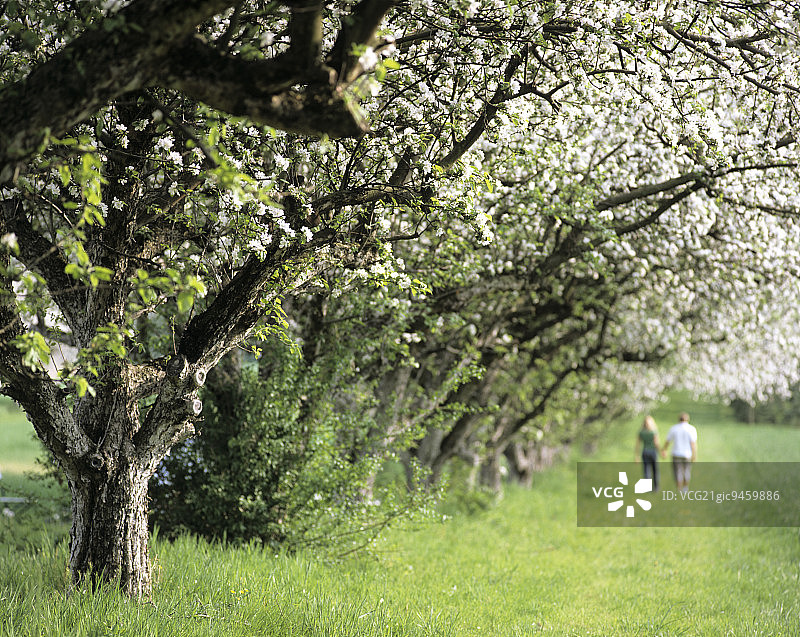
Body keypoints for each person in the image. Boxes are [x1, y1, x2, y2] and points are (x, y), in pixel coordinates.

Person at [661, 412, 698, 492]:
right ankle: (685, 488)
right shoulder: (691, 429)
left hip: (676, 453)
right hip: (687, 454)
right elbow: (693, 444)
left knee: (678, 472)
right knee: (686, 471)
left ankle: (679, 488)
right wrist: (694, 455)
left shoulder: (674, 428)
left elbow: (668, 441)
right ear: (688, 419)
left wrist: (664, 449)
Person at [635, 415, 660, 491]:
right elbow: (656, 443)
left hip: (645, 452)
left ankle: (647, 488)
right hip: (653, 452)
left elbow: (638, 445)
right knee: (655, 470)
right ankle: (656, 487)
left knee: (646, 470)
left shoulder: (641, 432)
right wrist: (660, 451)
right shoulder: (654, 432)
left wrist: (637, 456)